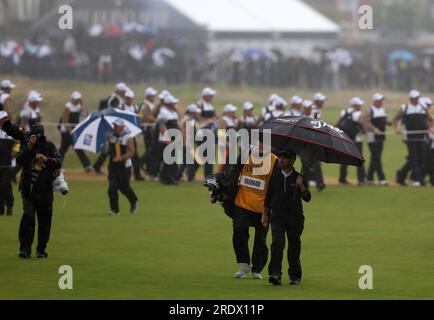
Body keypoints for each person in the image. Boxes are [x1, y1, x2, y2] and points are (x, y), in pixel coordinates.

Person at [229, 139, 279, 280]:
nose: (262, 145)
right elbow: (233, 174)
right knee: (239, 231)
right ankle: (244, 263)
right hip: (242, 202)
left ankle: (257, 269)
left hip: (263, 207)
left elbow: (276, 186)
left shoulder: (275, 161)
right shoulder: (245, 154)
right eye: (260, 141)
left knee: (261, 240)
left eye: (265, 142)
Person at [262, 148, 311, 286]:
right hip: (277, 216)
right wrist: (264, 215)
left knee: (294, 246)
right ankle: (275, 274)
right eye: (280, 157)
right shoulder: (275, 175)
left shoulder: (299, 177)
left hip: (295, 218)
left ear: (292, 161)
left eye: (284, 158)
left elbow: (307, 198)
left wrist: (301, 185)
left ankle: (295, 276)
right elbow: (268, 197)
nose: (281, 160)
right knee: (277, 244)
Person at [16, 123, 62, 259]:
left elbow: (58, 161)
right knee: (28, 218)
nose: (38, 138)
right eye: (35, 135)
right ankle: (25, 249)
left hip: (45, 191)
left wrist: (46, 159)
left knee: (45, 222)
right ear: (31, 135)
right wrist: (29, 147)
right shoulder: (26, 145)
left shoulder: (49, 146)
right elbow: (19, 160)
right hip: (28, 191)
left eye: (40, 135)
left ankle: (41, 249)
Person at [394, 90, 433, 187]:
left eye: (418, 98)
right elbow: (396, 119)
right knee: (414, 158)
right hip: (410, 137)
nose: (417, 100)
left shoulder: (423, 108)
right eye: (415, 98)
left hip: (422, 137)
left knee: (420, 158)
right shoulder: (405, 108)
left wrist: (431, 128)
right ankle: (417, 180)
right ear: (411, 99)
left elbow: (431, 119)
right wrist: (397, 128)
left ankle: (401, 176)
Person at [93, 82, 128, 174]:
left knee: (109, 148)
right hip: (112, 126)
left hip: (113, 126)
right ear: (119, 91)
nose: (125, 93)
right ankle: (98, 166)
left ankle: (97, 166)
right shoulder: (115, 99)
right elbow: (113, 113)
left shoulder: (115, 98)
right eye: (123, 91)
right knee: (109, 147)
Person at [107, 119, 138, 215]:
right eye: (114, 125)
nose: (115, 127)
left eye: (117, 126)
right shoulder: (111, 136)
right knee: (111, 189)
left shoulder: (128, 137)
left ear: (122, 127)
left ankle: (134, 200)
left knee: (124, 188)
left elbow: (131, 152)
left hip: (124, 167)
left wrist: (121, 158)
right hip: (113, 166)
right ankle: (114, 210)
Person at [58, 91, 92, 172]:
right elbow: (65, 121)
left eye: (78, 99)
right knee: (63, 149)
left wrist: (83, 105)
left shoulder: (79, 107)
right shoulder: (68, 107)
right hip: (66, 132)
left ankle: (87, 166)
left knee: (78, 148)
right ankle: (57, 166)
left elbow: (85, 115)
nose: (77, 100)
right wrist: (70, 131)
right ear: (72, 99)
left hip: (74, 131)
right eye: (76, 99)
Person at [337, 97, 366, 186]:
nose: (361, 105)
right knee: (359, 160)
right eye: (359, 104)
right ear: (355, 105)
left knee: (344, 160)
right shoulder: (358, 113)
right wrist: (364, 130)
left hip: (345, 139)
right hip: (356, 140)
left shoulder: (344, 112)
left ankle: (342, 180)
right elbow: (363, 125)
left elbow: (338, 124)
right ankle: (361, 180)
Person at [365, 93, 391, 186]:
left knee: (374, 158)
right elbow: (366, 123)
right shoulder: (370, 110)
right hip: (372, 138)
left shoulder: (382, 110)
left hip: (381, 137)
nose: (381, 102)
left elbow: (386, 119)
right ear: (375, 101)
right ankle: (382, 179)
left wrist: (389, 122)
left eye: (382, 100)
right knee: (377, 158)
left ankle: (369, 178)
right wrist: (374, 129)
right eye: (380, 100)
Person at [156, 95, 180, 185]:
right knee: (169, 159)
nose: (175, 104)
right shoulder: (163, 112)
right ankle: (165, 177)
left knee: (171, 158)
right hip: (168, 139)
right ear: (169, 104)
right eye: (174, 103)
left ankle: (168, 177)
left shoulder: (172, 112)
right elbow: (162, 125)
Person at [176, 104, 201, 182]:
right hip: (187, 144)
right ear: (191, 112)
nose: (197, 113)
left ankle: (177, 176)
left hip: (187, 144)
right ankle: (190, 178)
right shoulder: (188, 120)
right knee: (193, 161)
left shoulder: (188, 119)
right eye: (195, 112)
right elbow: (185, 132)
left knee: (185, 162)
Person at [123, 89, 144, 181]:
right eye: (127, 98)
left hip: (132, 135)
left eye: (130, 98)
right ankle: (132, 174)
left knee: (134, 155)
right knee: (128, 155)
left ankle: (136, 174)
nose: (128, 99)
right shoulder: (122, 107)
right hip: (124, 135)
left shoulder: (134, 108)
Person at [197, 87, 217, 178]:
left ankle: (208, 175)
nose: (212, 97)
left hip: (210, 131)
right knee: (203, 154)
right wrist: (209, 120)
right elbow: (198, 118)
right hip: (202, 131)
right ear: (205, 96)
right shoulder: (200, 104)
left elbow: (215, 116)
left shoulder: (210, 104)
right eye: (211, 95)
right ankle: (190, 172)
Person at [0, 111, 18, 216]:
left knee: (5, 184)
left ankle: (10, 206)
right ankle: (1, 208)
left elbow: (18, 142)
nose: (5, 120)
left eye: (5, 118)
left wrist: (15, 151)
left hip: (8, 163)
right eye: (3, 118)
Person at [140, 87, 158, 175]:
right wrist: (156, 120)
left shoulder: (150, 104)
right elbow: (145, 117)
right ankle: (139, 164)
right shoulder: (145, 105)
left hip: (151, 129)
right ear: (148, 96)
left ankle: (148, 168)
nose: (153, 96)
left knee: (151, 150)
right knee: (150, 150)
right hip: (147, 129)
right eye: (152, 95)